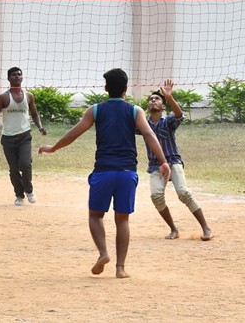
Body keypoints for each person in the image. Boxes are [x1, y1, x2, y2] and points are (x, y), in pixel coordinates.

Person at [39, 68, 170, 278]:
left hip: (104, 171)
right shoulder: (136, 111)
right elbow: (149, 134)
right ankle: (120, 268)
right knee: (122, 220)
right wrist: (163, 161)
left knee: (95, 215)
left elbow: (74, 134)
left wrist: (53, 147)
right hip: (127, 172)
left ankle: (103, 253)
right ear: (126, 89)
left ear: (106, 88)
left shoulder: (96, 110)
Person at [144, 81, 213, 241]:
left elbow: (179, 115)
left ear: (163, 107)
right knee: (156, 196)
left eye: (157, 99)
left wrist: (169, 96)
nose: (153, 100)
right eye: (151, 99)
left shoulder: (167, 121)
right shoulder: (144, 124)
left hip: (173, 161)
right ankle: (174, 229)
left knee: (183, 193)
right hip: (156, 165)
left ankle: (206, 228)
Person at [0, 67, 47, 206]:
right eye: (14, 75)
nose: (17, 77)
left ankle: (29, 190)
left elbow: (34, 114)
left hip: (24, 136)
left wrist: (40, 127)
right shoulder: (3, 97)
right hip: (8, 137)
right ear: (9, 78)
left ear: (22, 78)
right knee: (14, 168)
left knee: (25, 164)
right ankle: (19, 195)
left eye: (19, 75)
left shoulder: (29, 96)